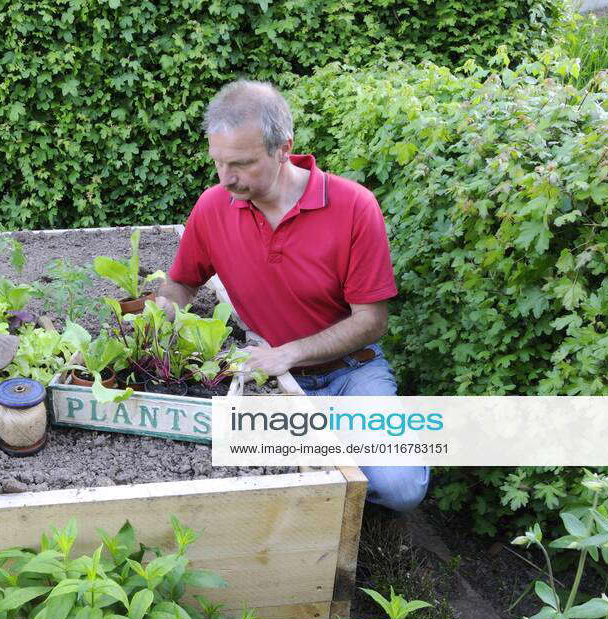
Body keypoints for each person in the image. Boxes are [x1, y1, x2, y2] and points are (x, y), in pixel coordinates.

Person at [156, 79, 428, 512]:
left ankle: (356, 500)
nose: (227, 178)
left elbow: (371, 321)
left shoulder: (354, 207)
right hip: (269, 379)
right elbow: (183, 282)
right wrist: (163, 314)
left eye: (242, 164)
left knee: (401, 489)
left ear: (284, 147)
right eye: (218, 163)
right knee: (255, 487)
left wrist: (289, 353)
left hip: (349, 375)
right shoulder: (212, 207)